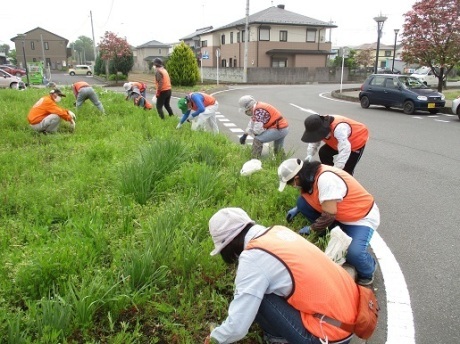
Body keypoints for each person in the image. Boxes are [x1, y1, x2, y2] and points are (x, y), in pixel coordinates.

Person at [204, 207, 359, 344]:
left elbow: (237, 327)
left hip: (327, 337)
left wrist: (215, 338)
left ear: (228, 245)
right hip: (350, 318)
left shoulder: (253, 257)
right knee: (265, 286)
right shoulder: (278, 231)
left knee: (258, 295)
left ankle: (279, 339)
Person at [277, 158, 380, 286]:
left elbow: (328, 216)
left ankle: (368, 269)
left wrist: (312, 229)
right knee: (302, 203)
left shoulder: (326, 180)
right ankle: (332, 234)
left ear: (297, 178)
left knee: (354, 253)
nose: (293, 186)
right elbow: (313, 198)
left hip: (359, 218)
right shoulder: (309, 176)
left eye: (291, 183)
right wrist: (298, 208)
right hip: (339, 215)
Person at [302, 114, 368, 176]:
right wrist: (309, 154)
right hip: (338, 140)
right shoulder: (318, 124)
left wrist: (336, 169)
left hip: (356, 140)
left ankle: (342, 181)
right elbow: (314, 139)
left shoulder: (339, 129)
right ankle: (328, 172)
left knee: (346, 171)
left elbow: (345, 149)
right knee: (324, 152)